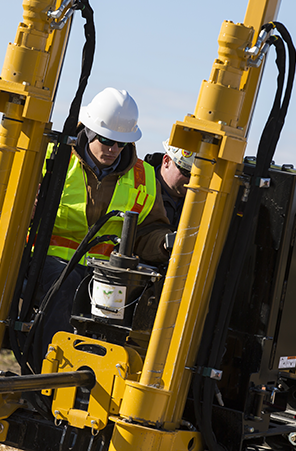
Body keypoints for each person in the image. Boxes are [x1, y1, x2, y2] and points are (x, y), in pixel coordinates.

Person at [35, 87, 171, 357]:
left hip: (105, 275)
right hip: (47, 261)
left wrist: (165, 243)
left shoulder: (144, 176)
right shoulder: (51, 158)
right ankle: (44, 377)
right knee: (65, 288)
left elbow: (149, 231)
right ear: (88, 131)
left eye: (121, 143)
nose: (114, 149)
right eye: (107, 141)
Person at [144, 139, 195, 229]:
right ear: (166, 161)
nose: (192, 180)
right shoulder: (139, 186)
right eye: (186, 172)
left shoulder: (200, 199)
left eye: (197, 176)